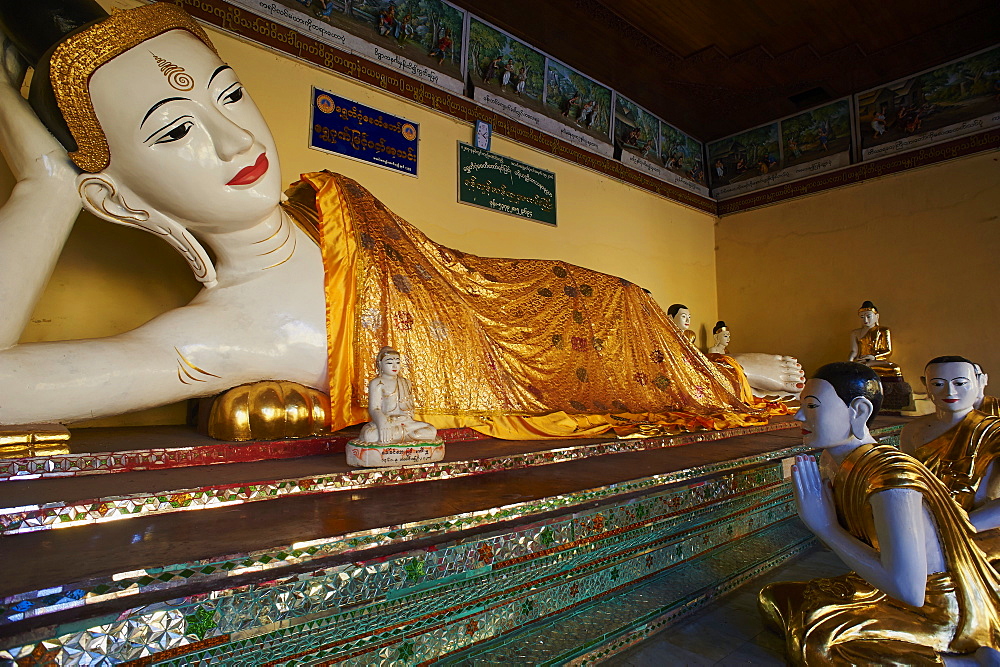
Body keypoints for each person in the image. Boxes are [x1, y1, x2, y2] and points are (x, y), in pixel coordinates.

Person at [0, 2, 803, 441]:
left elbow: (447, 269)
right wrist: (43, 185)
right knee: (611, 372)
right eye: (176, 131)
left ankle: (697, 358)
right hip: (503, 377)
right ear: (118, 199)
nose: (236, 138)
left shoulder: (326, 201)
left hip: (507, 297)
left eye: (229, 94)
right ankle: (721, 376)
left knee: (618, 296)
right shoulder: (214, 337)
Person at [760, 362, 1000, 664]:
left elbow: (909, 590)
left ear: (858, 412)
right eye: (801, 405)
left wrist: (826, 527)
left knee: (818, 646)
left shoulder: (889, 480)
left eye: (812, 406)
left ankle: (964, 662)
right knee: (777, 599)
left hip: (934, 606)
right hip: (883, 586)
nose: (798, 416)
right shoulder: (834, 462)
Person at [900, 356, 1000, 521]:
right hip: (927, 519)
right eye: (938, 384)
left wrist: (964, 527)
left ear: (979, 382)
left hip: (979, 524)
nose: (949, 392)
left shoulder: (994, 430)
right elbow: (910, 485)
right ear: (925, 384)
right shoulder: (912, 430)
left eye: (960, 383)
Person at [668, 305, 804, 398]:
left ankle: (761, 390)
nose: (688, 320)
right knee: (722, 375)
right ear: (669, 317)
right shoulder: (661, 341)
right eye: (683, 316)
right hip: (677, 375)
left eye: (689, 316)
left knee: (725, 374)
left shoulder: (687, 337)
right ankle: (741, 368)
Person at [359, 347, 436, 444]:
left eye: (397, 363)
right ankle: (404, 436)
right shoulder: (377, 383)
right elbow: (374, 409)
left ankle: (395, 436)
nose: (394, 366)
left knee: (431, 430)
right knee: (369, 435)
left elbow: (409, 411)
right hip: (386, 422)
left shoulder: (405, 382)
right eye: (390, 363)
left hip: (405, 423)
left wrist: (405, 420)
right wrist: (383, 423)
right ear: (380, 364)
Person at [848, 300, 902, 377]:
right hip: (862, 361)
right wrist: (849, 363)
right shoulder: (855, 333)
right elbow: (854, 351)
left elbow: (888, 351)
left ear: (876, 316)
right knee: (857, 369)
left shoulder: (883, 331)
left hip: (878, 361)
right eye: (862, 317)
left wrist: (874, 357)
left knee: (895, 369)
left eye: (868, 316)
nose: (865, 320)